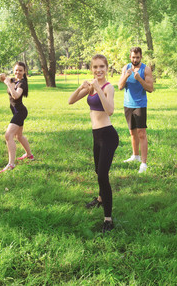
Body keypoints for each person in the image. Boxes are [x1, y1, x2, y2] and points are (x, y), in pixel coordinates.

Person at [68, 54, 119, 233]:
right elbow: (71, 100)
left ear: (107, 68)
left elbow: (110, 110)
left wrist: (98, 88)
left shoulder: (108, 87)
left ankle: (108, 219)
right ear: (91, 69)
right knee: (98, 171)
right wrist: (81, 87)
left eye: (102, 67)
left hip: (108, 136)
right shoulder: (91, 87)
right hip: (96, 136)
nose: (98, 70)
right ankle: (100, 198)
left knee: (102, 176)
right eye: (95, 67)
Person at [118, 47, 154, 173]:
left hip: (140, 105)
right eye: (133, 57)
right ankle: (135, 156)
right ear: (130, 57)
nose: (135, 59)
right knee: (132, 133)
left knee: (141, 133)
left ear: (141, 57)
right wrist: (126, 76)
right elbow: (120, 86)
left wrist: (140, 79)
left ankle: (143, 164)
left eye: (137, 57)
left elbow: (150, 88)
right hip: (128, 105)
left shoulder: (146, 69)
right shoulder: (125, 68)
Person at [0, 62, 34, 172]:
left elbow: (16, 95)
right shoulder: (15, 80)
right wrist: (2, 77)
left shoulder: (21, 84)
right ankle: (29, 155)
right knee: (19, 136)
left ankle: (11, 164)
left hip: (20, 112)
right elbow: (4, 79)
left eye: (20, 70)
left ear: (24, 72)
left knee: (8, 135)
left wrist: (8, 84)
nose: (18, 72)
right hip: (17, 112)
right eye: (16, 70)